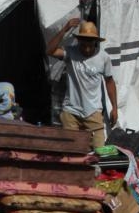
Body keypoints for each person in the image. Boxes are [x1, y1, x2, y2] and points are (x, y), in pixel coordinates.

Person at [46, 17, 118, 147]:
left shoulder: (103, 58)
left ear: (95, 42)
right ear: (79, 41)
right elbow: (49, 50)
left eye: (90, 45)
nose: (87, 49)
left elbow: (109, 82)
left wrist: (115, 108)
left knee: (99, 149)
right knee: (71, 150)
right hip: (71, 112)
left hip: (93, 111)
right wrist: (64, 29)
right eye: (84, 45)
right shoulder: (70, 53)